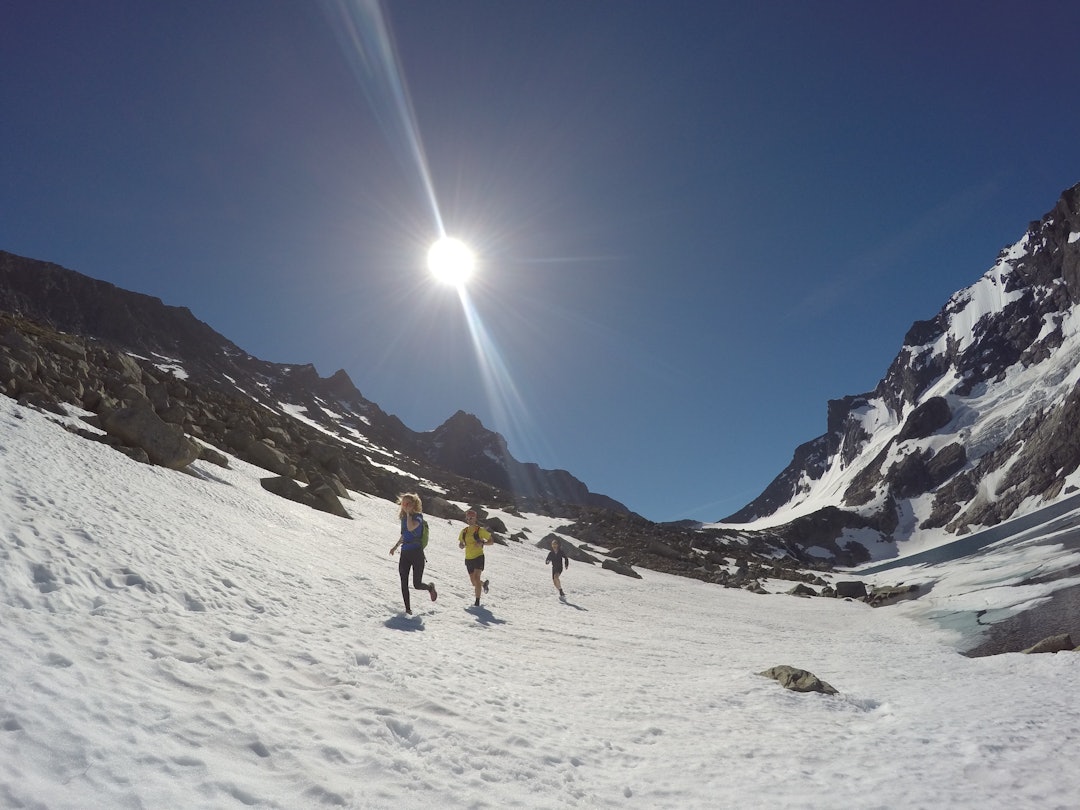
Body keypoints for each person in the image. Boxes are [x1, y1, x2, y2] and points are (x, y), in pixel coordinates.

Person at [389, 493, 436, 614]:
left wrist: (409, 514)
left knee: (417, 584)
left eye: (408, 503)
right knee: (403, 581)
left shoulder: (418, 517)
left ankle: (430, 587)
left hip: (417, 553)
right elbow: (405, 535)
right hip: (405, 553)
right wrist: (395, 547)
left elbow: (410, 528)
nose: (405, 506)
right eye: (403, 503)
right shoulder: (404, 518)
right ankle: (408, 609)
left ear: (414, 504)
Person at [458, 509, 493, 607]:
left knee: (477, 578)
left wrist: (483, 543)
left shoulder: (480, 530)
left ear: (475, 518)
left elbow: (491, 541)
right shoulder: (464, 531)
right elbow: (461, 543)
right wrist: (461, 545)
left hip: (479, 557)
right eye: (468, 518)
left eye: (471, 518)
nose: (469, 520)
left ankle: (477, 602)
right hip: (468, 558)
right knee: (474, 582)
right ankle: (483, 585)